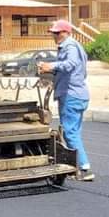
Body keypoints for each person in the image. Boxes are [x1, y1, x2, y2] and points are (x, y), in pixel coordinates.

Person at [38, 19, 95, 182]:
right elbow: (77, 71)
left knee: (69, 132)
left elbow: (70, 64)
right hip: (78, 94)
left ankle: (84, 168)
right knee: (74, 132)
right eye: (53, 33)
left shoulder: (69, 46)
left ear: (66, 33)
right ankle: (76, 166)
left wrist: (51, 66)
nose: (55, 36)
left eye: (57, 33)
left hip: (71, 95)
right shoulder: (75, 46)